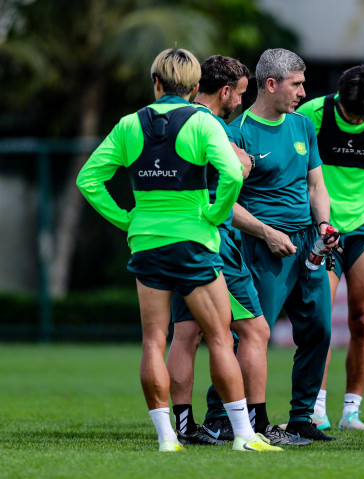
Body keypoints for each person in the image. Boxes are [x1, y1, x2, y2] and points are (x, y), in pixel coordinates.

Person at [76, 48, 280, 452]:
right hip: (194, 242)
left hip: (147, 243)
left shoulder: (129, 124)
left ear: (156, 82)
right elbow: (232, 174)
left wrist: (128, 220)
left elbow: (88, 179)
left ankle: (167, 437)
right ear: (193, 85)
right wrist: (213, 214)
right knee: (219, 337)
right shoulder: (203, 122)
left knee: (155, 340)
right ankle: (243, 435)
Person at [161, 55, 300, 447]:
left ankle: (184, 425)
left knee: (185, 334)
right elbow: (234, 174)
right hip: (215, 244)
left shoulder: (171, 122)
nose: (240, 101)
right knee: (255, 330)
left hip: (175, 238)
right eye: (239, 94)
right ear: (224, 92)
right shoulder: (212, 126)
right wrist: (243, 163)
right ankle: (255, 424)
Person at [228, 48, 339, 442]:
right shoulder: (237, 132)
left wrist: (323, 224)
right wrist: (266, 233)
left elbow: (316, 185)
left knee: (320, 330)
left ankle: (302, 418)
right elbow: (226, 204)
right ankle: (225, 416)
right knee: (250, 336)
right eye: (296, 84)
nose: (303, 93)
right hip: (265, 247)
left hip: (308, 245)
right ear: (271, 84)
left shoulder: (302, 125)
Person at [296, 65, 364, 432]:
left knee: (363, 318)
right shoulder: (312, 114)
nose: (356, 121)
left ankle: (351, 411)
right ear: (338, 100)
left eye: (363, 117)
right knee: (320, 320)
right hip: (323, 227)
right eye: (351, 114)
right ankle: (316, 408)